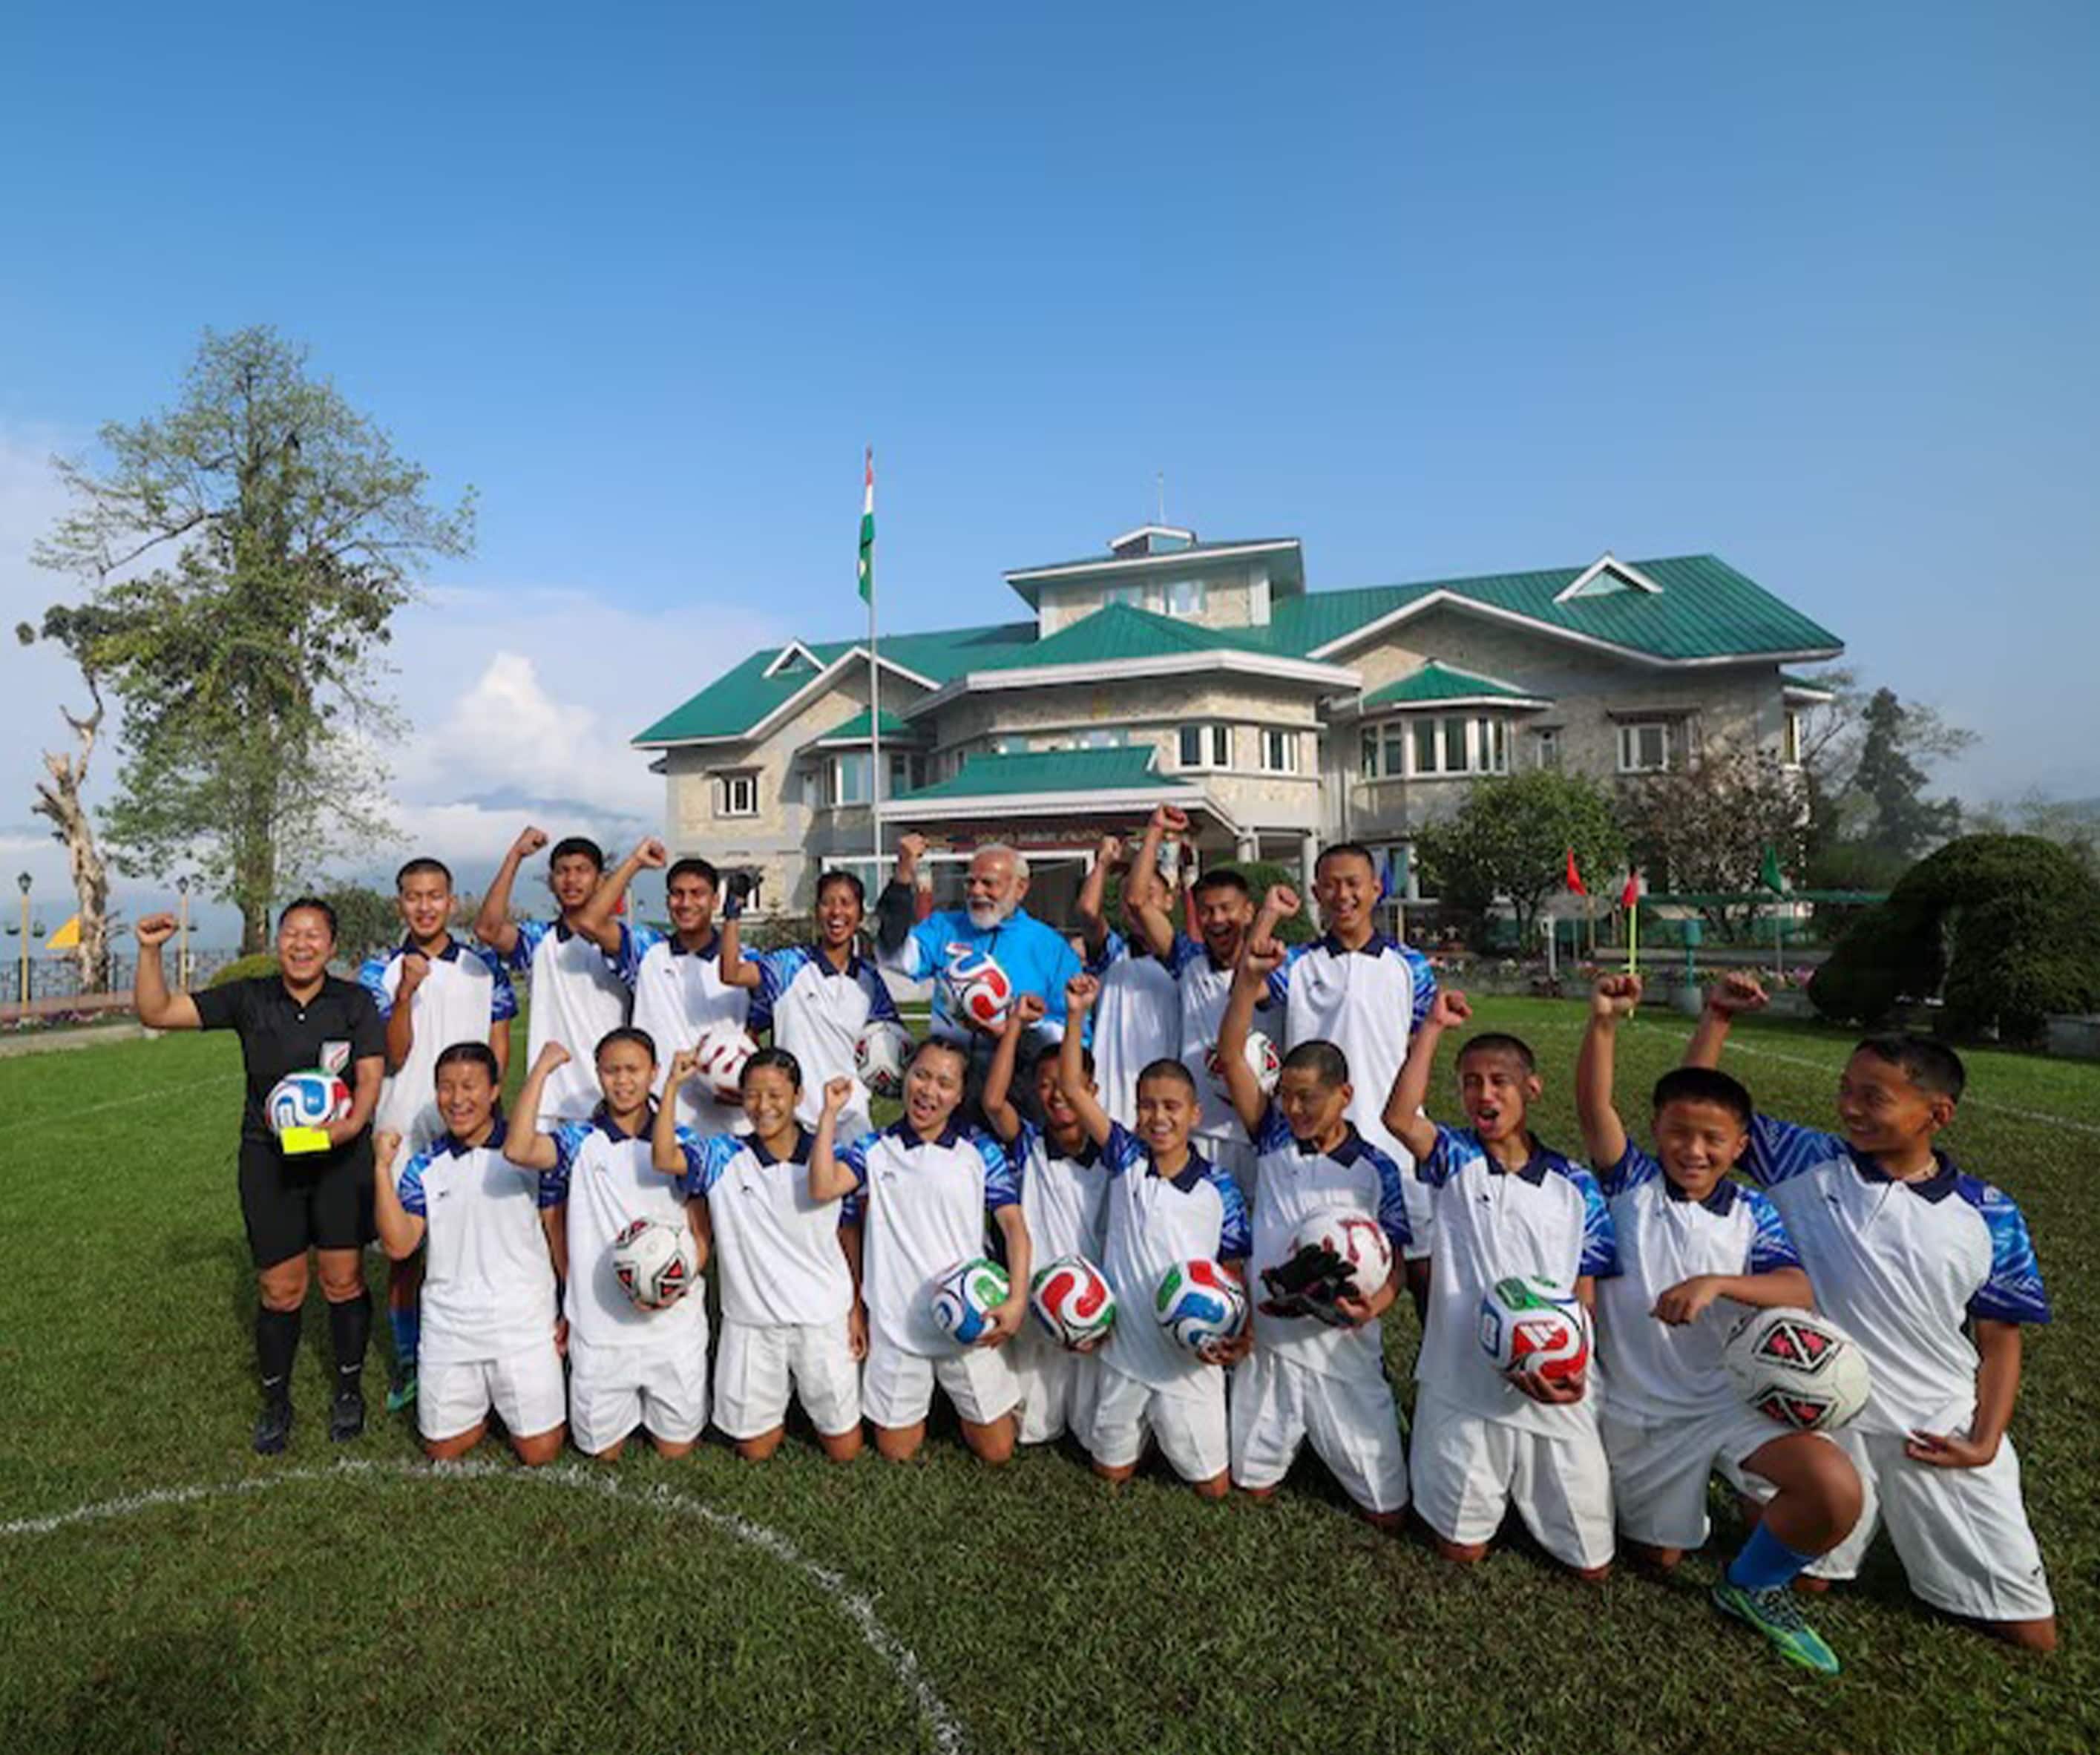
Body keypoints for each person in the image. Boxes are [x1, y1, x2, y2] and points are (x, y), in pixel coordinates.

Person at [1685, 973, 2056, 1652]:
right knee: (1808, 1578)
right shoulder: (1808, 1160)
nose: (1849, 1108)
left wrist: (1983, 1438)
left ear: (1937, 1114)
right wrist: (1717, 1019)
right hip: (1823, 1413)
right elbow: (1701, 1108)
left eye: (1873, 1097)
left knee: (2030, 1632)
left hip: (1933, 1424)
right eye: (1846, 1090)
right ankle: (1775, 1503)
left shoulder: (1990, 1213)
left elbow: (2000, 1338)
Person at [1577, 974, 1862, 1674]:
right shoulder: (1631, 1185)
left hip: (1728, 1402)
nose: (1693, 1150)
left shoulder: (1753, 1212)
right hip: (1642, 1411)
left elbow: (1797, 1287)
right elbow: (1593, 1105)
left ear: (1739, 1146)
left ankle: (1751, 1585)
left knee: (1833, 1489)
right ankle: (1712, 1505)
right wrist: (1604, 1022)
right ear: (1656, 1131)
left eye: (1713, 1139)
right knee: (1658, 1557)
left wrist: (1718, 1283)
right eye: (1679, 1133)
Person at [134, 899, 386, 1454]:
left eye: (313, 935)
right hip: (269, 1159)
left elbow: (370, 1075)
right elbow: (158, 1011)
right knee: (280, 1288)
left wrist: (352, 1125)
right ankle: (276, 1401)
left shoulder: (354, 1002)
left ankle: (348, 1391)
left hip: (340, 1158)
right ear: (278, 942)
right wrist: (150, 951)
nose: (301, 944)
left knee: (343, 1279)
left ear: (332, 946)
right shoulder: (249, 997)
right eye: (291, 933)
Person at [1382, 992, 1619, 1578]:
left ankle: (1534, 1487)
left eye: (1499, 1082)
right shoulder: (1455, 1157)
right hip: (1461, 1383)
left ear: (1531, 1089)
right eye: (1471, 1082)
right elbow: (1399, 1118)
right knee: (1459, 1551)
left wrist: (1570, 1369)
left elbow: (1585, 1292)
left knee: (1592, 1567)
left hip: (1552, 1389)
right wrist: (1432, 1027)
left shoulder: (1576, 1184)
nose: (1483, 1094)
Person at [1213, 944, 1412, 1529]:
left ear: (1344, 1095)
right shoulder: (1273, 1137)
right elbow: (1232, 1054)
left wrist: (1374, 1304)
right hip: (1270, 1350)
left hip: (1342, 1352)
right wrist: (1248, 981)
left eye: (1309, 1097)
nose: (1294, 1108)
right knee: (1250, 1488)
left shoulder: (1377, 1168)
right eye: (1287, 1095)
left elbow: (1398, 1259)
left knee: (1388, 1513)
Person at [1059, 974, 1250, 1500]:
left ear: (1195, 1114)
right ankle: (1141, 1440)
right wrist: (1076, 1014)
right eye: (1147, 1105)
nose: (1158, 1117)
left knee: (1214, 1489)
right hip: (1124, 1357)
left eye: (1171, 1106)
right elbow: (1073, 1088)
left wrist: (1241, 1330)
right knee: (1110, 1475)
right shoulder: (1127, 1158)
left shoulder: (1221, 1187)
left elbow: (1234, 1268)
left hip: (1187, 1362)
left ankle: (1173, 1432)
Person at [808, 1039, 1031, 1463]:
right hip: (898, 1327)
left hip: (969, 1321)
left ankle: (957, 1405)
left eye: (944, 1083)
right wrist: (829, 1115)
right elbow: (822, 1187)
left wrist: (1017, 1299)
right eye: (921, 1076)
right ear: (905, 1077)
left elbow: (1014, 1227)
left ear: (960, 1095)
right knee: (896, 1452)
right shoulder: (874, 1148)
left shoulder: (980, 1150)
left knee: (998, 1451)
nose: (929, 1091)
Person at [504, 1030, 711, 1460]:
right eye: (611, 1071)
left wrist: (677, 1283)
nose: (622, 1081)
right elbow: (519, 1148)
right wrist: (541, 1069)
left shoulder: (682, 1142)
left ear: (653, 1073)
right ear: (597, 1074)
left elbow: (701, 1231)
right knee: (602, 1454)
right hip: (601, 1330)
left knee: (676, 1451)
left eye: (633, 1070)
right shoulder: (578, 1140)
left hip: (672, 1328)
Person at [359, 856, 518, 1414]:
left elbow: (500, 1044)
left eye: (435, 896)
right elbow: (394, 1053)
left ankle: (487, 1350)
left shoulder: (484, 967)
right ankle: (410, 1360)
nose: (424, 907)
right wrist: (405, 993)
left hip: (471, 1122)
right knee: (404, 1252)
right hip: (403, 1122)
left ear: (452, 901)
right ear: (399, 903)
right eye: (413, 896)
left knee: (478, 1239)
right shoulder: (376, 972)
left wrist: (491, 1109)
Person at [658, 1046, 867, 1462]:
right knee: (754, 1450)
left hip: (820, 1318)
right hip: (751, 1324)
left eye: (775, 1095)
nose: (763, 1106)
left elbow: (848, 1235)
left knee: (845, 1450)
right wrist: (671, 1087)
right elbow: (665, 1157)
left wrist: (855, 1308)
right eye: (752, 1095)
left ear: (798, 1096)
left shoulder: (833, 1157)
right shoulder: (723, 1155)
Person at [1250, 846, 1438, 1306]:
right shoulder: (1297, 963)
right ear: (1316, 893)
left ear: (1376, 888)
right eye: (1331, 885)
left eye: (1353, 883)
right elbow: (1248, 984)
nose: (1343, 895)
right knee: (1322, 1259)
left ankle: (1438, 1354)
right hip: (1317, 1140)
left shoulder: (1410, 966)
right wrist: (1267, 917)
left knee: (1421, 1268)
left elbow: (1419, 1046)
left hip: (1393, 1140)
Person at [372, 1043, 566, 1465]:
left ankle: (505, 1395)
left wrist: (572, 1308)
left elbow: (558, 1234)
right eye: (446, 1088)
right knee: (443, 1450)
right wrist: (382, 1170)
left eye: (469, 1086)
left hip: (521, 1325)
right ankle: (486, 1401)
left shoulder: (530, 1155)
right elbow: (399, 1245)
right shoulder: (424, 1167)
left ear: (494, 1091)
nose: (457, 1099)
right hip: (450, 1328)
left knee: (540, 1452)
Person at [1124, 805, 1281, 1195]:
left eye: (1227, 909)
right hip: (1198, 1129)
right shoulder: (1189, 960)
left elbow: (1246, 982)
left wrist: (1271, 917)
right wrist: (1155, 831)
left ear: (1248, 911)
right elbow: (1138, 902)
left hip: (1256, 1128)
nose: (1217, 919)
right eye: (1208, 911)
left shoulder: (1276, 968)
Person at [982, 994, 1112, 1448]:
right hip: (1036, 1310)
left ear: (1092, 1090)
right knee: (1031, 1427)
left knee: (1096, 1432)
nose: (1057, 1095)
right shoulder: (1029, 1143)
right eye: (1044, 1085)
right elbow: (993, 1101)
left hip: (1097, 1311)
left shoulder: (1116, 1151)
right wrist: (1014, 1026)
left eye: (1068, 1084)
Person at [570, 840, 750, 1135]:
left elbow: (755, 1031)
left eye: (697, 894)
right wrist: (636, 862)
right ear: (668, 901)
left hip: (728, 1123)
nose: (686, 903)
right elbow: (590, 922)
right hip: (661, 1119)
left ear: (716, 901)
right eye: (677, 894)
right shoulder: (648, 952)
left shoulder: (743, 961)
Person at [874, 833, 1082, 1080]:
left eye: (988, 883)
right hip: (950, 1079)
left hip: (1015, 1081)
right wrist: (903, 876)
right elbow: (893, 955)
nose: (976, 891)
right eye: (970, 882)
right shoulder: (944, 927)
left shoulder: (1051, 947)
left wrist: (1013, 1033)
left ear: (1020, 888)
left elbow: (1072, 1032)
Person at [718, 868, 899, 1139]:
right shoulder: (788, 966)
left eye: (846, 903)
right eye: (827, 903)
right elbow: (731, 973)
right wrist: (732, 912)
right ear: (816, 912)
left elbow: (894, 1044)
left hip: (852, 1122)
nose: (836, 912)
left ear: (860, 914)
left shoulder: (870, 980)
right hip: (795, 1124)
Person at [474, 827, 631, 1127]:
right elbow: (487, 930)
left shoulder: (624, 942)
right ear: (551, 881)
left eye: (582, 871)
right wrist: (515, 855)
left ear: (600, 880)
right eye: (562, 871)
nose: (571, 880)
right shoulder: (538, 940)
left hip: (611, 1100)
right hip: (548, 1104)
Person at [1073, 833, 1179, 1132]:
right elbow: (1088, 912)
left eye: (1149, 893)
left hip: (1166, 1104)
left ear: (1169, 900)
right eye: (1128, 897)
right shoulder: (1113, 955)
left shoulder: (1186, 961)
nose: (1136, 904)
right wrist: (1103, 864)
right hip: (1111, 1103)